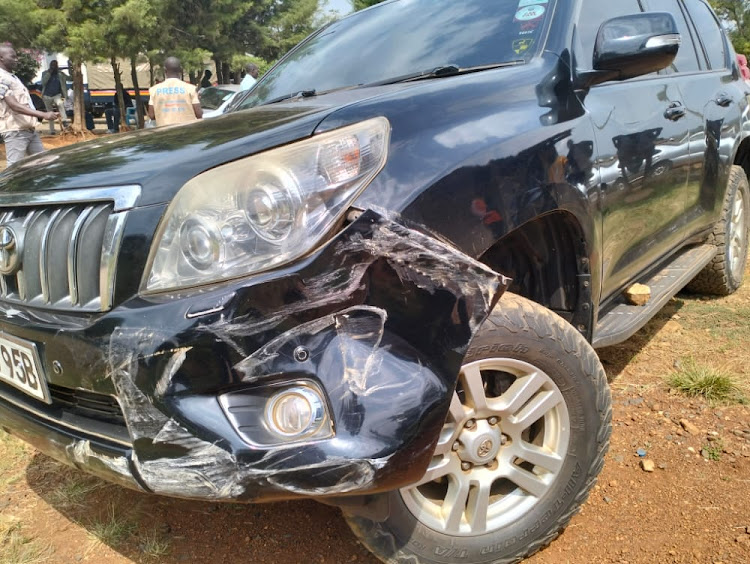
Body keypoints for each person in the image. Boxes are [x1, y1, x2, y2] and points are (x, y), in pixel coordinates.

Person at [0, 45, 58, 167]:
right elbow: (14, 105)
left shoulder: (12, 77)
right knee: (14, 169)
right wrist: (43, 114)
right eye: (13, 57)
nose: (16, 59)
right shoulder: (2, 78)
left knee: (42, 163)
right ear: (1, 58)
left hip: (28, 129)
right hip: (15, 130)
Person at [147, 57, 202, 126]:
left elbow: (151, 115)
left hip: (164, 132)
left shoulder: (154, 90)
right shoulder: (191, 89)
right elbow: (199, 114)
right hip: (187, 132)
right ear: (180, 70)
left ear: (165, 70)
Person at [40, 60, 70, 134]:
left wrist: (70, 68)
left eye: (55, 65)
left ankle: (64, 121)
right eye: (52, 65)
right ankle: (52, 130)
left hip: (57, 94)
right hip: (47, 96)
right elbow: (43, 82)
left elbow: (70, 78)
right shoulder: (45, 73)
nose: (53, 66)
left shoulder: (60, 74)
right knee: (50, 113)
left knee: (60, 104)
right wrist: (49, 73)